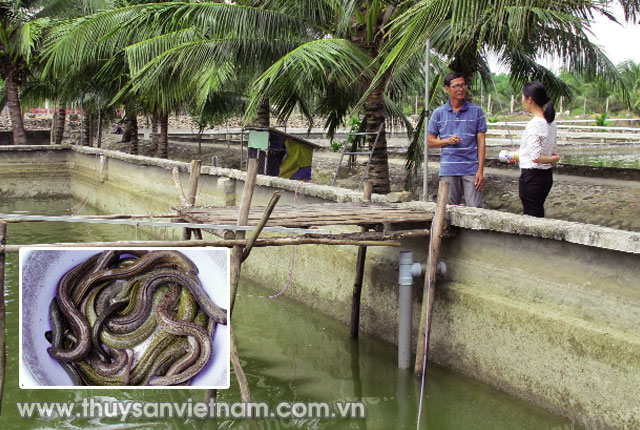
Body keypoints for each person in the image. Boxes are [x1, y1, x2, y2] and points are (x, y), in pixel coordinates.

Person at [427, 72, 487, 207]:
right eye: (456, 86)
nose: (460, 89)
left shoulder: (477, 112)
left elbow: (482, 142)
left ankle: (471, 230)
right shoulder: (439, 113)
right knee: (448, 209)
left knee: (475, 209)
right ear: (447, 88)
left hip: (471, 169)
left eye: (463, 85)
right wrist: (448, 141)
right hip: (449, 168)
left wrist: (480, 170)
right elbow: (430, 141)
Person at [517, 81, 561, 217]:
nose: (521, 100)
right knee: (536, 212)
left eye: (522, 97)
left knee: (531, 215)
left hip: (532, 177)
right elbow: (549, 150)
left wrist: (552, 159)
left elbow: (536, 157)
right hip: (545, 176)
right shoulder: (550, 122)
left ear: (530, 99)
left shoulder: (536, 123)